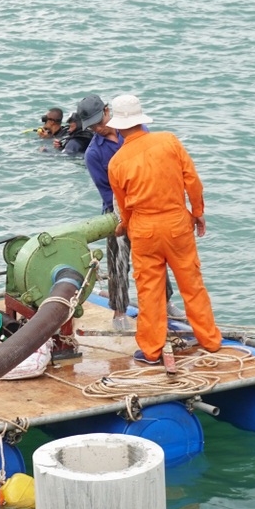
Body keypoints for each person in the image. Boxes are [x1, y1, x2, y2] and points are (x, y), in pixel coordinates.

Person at [105, 94, 222, 364]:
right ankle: (210, 340)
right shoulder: (169, 141)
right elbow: (192, 181)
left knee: (149, 291)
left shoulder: (116, 163)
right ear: (140, 120)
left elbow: (123, 205)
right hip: (177, 223)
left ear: (118, 127)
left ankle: (151, 350)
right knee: (192, 285)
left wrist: (126, 226)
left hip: (144, 229)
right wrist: (197, 213)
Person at [76, 94, 177, 331]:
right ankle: (119, 313)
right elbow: (106, 192)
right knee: (118, 263)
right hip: (117, 211)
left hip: (148, 206)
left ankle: (166, 302)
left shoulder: (135, 130)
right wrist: (125, 216)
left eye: (99, 122)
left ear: (107, 111)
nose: (98, 128)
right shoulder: (93, 154)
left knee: (156, 256)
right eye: (92, 127)